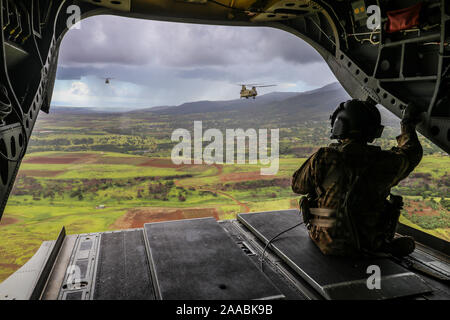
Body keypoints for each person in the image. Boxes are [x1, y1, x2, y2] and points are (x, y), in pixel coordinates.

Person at [291, 99, 423, 257]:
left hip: (325, 242)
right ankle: (380, 245)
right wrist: (407, 122)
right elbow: (412, 152)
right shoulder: (385, 162)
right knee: (408, 244)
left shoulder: (323, 157)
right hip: (369, 246)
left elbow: (297, 186)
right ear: (373, 130)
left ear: (339, 125)